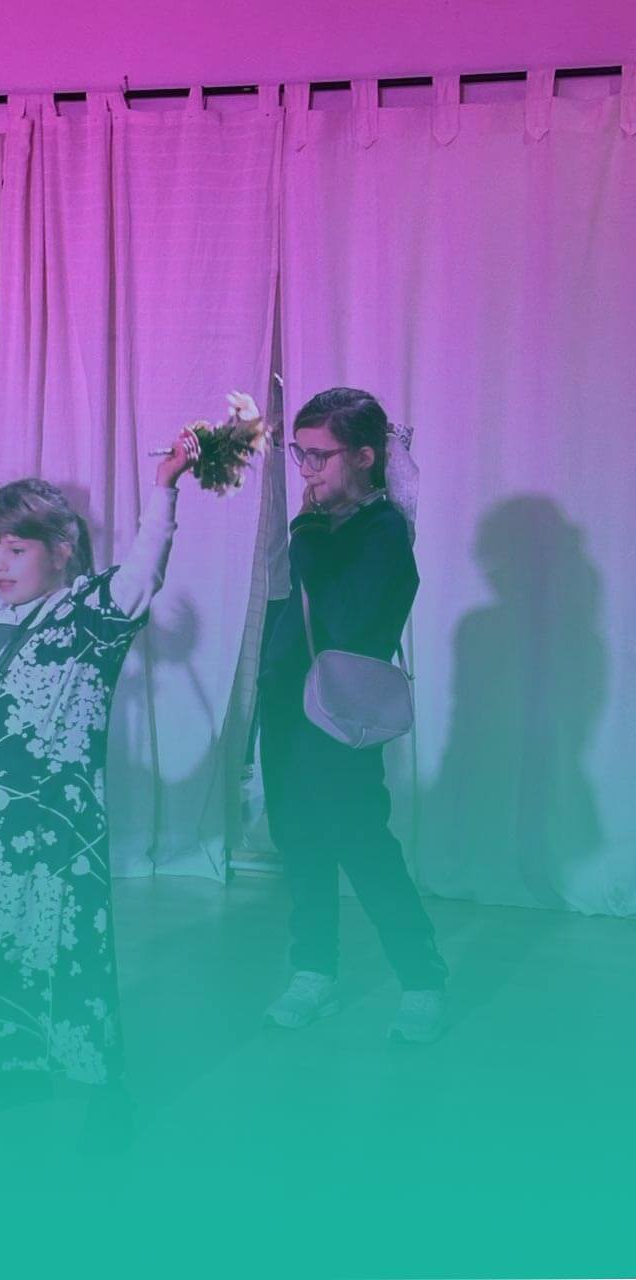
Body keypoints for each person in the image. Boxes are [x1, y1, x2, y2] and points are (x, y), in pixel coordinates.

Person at [0, 427, 200, 1140]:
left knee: (70, 951)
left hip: (59, 829)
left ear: (62, 551)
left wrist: (164, 489)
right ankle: (12, 1068)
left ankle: (105, 1088)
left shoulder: (87, 619)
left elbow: (144, 572)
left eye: (16, 550)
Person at [258, 387, 448, 1042]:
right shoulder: (325, 526)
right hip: (287, 709)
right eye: (300, 454)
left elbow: (345, 622)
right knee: (298, 840)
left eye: (321, 455)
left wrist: (307, 531)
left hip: (341, 716)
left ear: (365, 456)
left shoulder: (383, 529)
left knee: (363, 844)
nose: (307, 470)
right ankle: (314, 971)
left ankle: (422, 980)